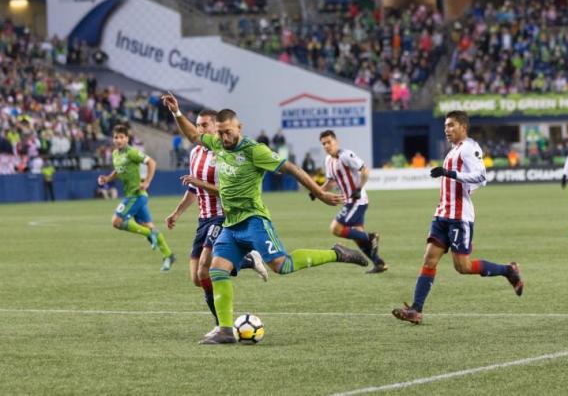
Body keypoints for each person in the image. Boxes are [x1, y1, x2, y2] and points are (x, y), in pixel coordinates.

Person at [162, 92, 368, 345]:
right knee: (217, 270)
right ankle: (226, 330)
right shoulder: (216, 143)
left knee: (283, 265)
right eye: (220, 133)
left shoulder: (254, 151)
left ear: (239, 128)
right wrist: (177, 112)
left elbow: (291, 168)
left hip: (254, 221)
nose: (224, 137)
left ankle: (337, 253)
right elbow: (193, 135)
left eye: (228, 132)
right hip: (230, 224)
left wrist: (319, 192)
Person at [392, 110, 523, 325]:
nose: (447, 129)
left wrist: (451, 174)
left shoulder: (470, 148)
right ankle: (416, 310)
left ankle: (509, 270)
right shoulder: (454, 150)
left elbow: (481, 176)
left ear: (463, 127)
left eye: (451, 125)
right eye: (445, 126)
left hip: (459, 217)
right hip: (442, 214)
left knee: (463, 267)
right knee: (429, 259)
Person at [164, 109, 269, 339]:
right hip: (204, 219)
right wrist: (177, 213)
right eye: (198, 125)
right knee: (197, 278)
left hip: (223, 216)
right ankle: (247, 260)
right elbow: (193, 189)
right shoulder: (195, 154)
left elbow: (228, 190)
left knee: (205, 267)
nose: (200, 130)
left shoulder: (223, 154)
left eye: (205, 126)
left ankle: (224, 327)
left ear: (216, 128)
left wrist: (200, 182)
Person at [97, 125, 175, 271]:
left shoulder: (132, 152)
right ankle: (168, 255)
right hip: (135, 196)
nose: (119, 140)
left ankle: (148, 234)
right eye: (116, 137)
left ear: (127, 138)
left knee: (116, 221)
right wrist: (108, 178)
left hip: (136, 195)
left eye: (122, 137)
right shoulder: (115, 154)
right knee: (149, 226)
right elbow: (118, 170)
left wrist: (147, 182)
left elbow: (152, 162)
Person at [314, 130, 387, 273]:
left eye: (329, 142)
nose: (327, 145)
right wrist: (317, 191)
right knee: (358, 237)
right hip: (349, 201)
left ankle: (371, 237)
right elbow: (331, 181)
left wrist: (359, 188)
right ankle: (379, 263)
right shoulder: (328, 160)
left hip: (356, 200)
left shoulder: (346, 155)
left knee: (335, 228)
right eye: (324, 144)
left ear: (336, 141)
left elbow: (365, 170)